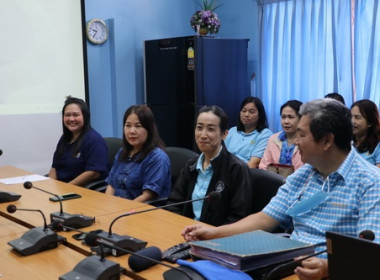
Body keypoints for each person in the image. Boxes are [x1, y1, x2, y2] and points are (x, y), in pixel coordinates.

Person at [182, 99, 380, 280]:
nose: (295, 142)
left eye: (301, 135)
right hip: (287, 264)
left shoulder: (370, 182)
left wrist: (328, 267)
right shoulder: (303, 175)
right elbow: (265, 218)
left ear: (327, 141)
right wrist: (213, 233)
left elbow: (370, 252)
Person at [167, 106, 253, 226]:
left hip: (218, 238)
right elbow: (174, 204)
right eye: (199, 128)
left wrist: (211, 233)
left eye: (211, 129)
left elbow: (238, 218)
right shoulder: (191, 165)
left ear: (224, 134)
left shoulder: (236, 168)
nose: (203, 135)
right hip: (185, 232)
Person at [105, 105, 171, 202]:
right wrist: (108, 204)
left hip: (141, 212)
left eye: (138, 126)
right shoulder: (122, 152)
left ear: (149, 129)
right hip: (117, 209)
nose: (132, 131)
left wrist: (122, 211)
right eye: (128, 125)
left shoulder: (157, 158)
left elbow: (148, 195)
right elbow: (111, 185)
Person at [48, 96, 108, 187]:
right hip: (61, 189)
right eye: (67, 115)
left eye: (75, 115)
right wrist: (51, 186)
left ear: (85, 116)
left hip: (81, 190)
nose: (71, 119)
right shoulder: (64, 138)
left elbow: (93, 173)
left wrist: (66, 188)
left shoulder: (94, 140)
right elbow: (54, 167)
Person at [224, 97, 272, 168]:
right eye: (243, 111)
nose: (246, 115)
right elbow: (221, 155)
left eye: (251, 112)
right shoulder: (232, 131)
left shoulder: (265, 134)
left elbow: (253, 164)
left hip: (246, 174)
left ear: (260, 115)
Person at [259, 100, 304, 171]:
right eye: (283, 117)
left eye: (290, 117)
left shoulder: (307, 140)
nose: (286, 121)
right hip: (274, 180)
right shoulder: (273, 139)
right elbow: (263, 166)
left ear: (301, 118)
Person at [351, 99, 380, 168]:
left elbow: (377, 176)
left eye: (357, 117)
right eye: (350, 116)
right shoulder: (345, 142)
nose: (352, 121)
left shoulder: (377, 146)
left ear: (370, 122)